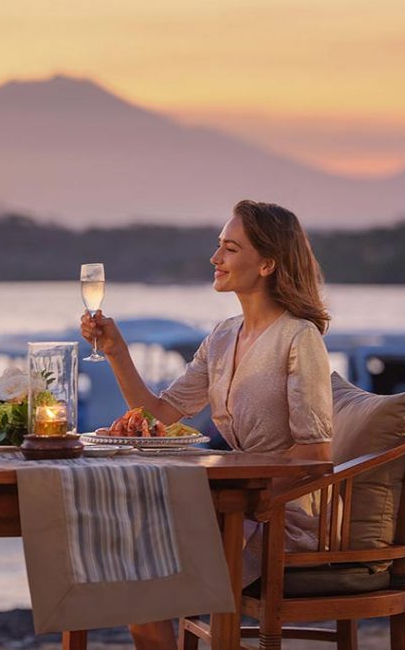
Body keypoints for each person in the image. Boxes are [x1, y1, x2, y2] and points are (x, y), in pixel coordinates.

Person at [81, 199, 333, 650]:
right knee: (126, 566)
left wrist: (239, 500)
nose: (215, 259)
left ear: (267, 264)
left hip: (276, 516)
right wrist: (117, 350)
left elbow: (315, 458)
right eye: (219, 246)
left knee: (143, 582)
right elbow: (160, 414)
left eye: (230, 249)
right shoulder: (222, 336)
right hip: (230, 506)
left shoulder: (299, 337)